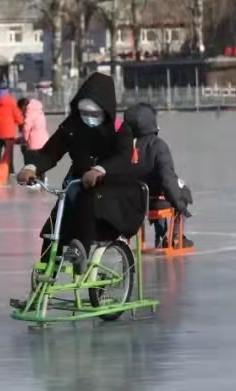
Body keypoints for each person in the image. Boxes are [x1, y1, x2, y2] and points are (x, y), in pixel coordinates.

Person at [15, 72, 144, 270]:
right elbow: (51, 152)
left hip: (111, 188)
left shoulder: (119, 130)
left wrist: (100, 170)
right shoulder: (73, 126)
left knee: (87, 202)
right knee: (55, 224)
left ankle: (80, 252)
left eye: (94, 115)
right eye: (84, 113)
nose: (89, 119)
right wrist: (31, 167)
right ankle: (46, 269)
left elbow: (123, 158)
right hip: (76, 183)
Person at [123, 103, 195, 248]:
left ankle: (161, 234)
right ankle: (173, 237)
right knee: (181, 190)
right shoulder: (158, 146)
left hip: (132, 203)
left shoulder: (123, 147)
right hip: (155, 202)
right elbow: (167, 179)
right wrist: (180, 204)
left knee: (158, 190)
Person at [0, 82, 24, 170]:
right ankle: (10, 175)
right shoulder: (10, 101)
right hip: (9, 134)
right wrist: (21, 123)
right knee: (9, 156)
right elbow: (17, 116)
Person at [17, 97, 50, 163]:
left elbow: (26, 129)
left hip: (33, 144)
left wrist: (24, 139)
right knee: (40, 166)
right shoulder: (39, 111)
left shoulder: (29, 114)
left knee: (30, 166)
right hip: (44, 141)